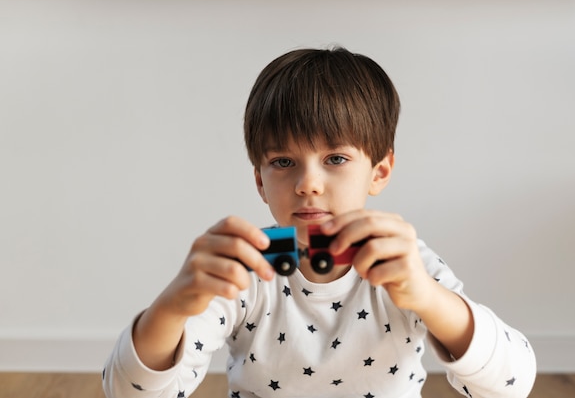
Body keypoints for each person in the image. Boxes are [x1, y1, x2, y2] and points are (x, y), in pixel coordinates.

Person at [103, 47, 536, 398]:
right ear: (260, 180)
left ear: (379, 171)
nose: (308, 183)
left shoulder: (406, 265)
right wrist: (173, 305)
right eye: (283, 161)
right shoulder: (247, 270)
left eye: (335, 159)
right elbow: (131, 394)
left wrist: (428, 297)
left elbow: (511, 383)